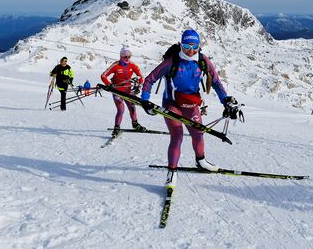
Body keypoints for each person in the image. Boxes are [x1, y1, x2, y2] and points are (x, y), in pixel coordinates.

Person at [140, 29, 237, 188]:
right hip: (172, 104)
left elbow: (217, 83)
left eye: (195, 46)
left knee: (198, 134)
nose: (191, 50)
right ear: (181, 45)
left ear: (199, 46)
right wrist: (145, 100)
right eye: (186, 46)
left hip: (191, 105)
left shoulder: (203, 60)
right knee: (177, 136)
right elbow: (150, 80)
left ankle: (201, 161)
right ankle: (171, 172)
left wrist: (225, 100)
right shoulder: (171, 62)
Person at [101, 47, 144, 138]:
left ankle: (135, 124)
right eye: (125, 57)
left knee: (132, 107)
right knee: (121, 110)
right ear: (121, 56)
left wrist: (138, 86)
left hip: (128, 91)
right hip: (117, 91)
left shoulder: (132, 65)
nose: (127, 58)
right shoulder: (116, 65)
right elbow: (103, 76)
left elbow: (141, 77)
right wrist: (109, 85)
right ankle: (116, 128)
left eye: (129, 56)